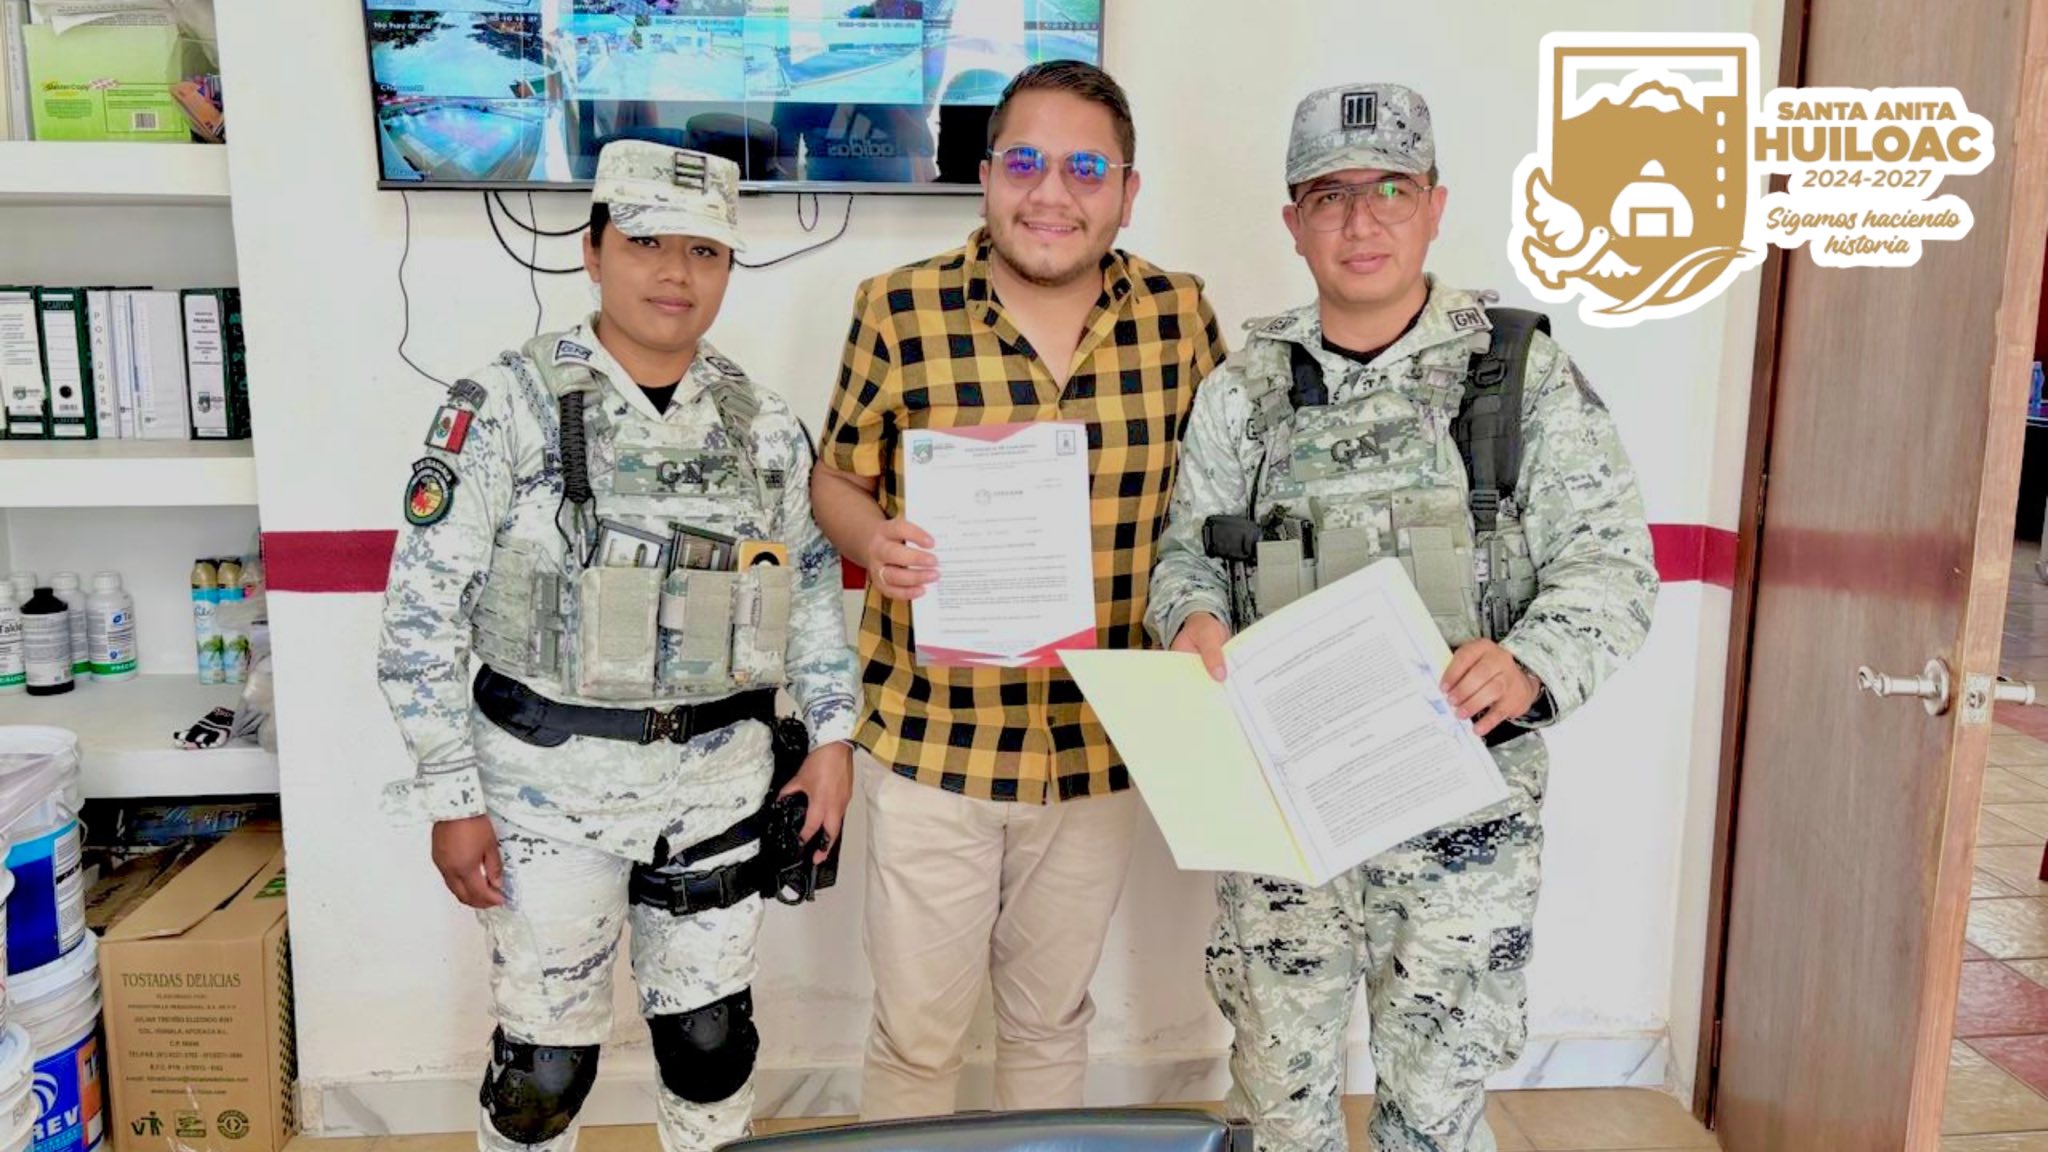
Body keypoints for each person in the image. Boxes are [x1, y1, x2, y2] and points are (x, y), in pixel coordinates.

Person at [1146, 83, 1658, 1152]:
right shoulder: (1245, 389)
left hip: (1462, 826)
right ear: (1292, 222)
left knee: (1432, 1121)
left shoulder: (1517, 377)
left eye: (1390, 189)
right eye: (1328, 195)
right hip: (1286, 824)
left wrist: (1526, 664)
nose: (1360, 220)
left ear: (1435, 206)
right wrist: (1190, 622)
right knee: (1279, 1113)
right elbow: (1186, 557)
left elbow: (1611, 568)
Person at [376, 140, 860, 1152]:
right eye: (645, 243)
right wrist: (451, 799)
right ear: (592, 251)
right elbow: (420, 617)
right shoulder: (503, 406)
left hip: (718, 787)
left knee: (710, 1044)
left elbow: (810, 589)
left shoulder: (762, 426)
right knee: (543, 1075)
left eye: (705, 251)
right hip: (545, 795)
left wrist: (830, 739)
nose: (676, 273)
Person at [809, 59, 1229, 1118]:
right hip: (933, 741)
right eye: (1026, 162)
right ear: (986, 174)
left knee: (1051, 1022)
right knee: (918, 1036)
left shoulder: (1179, 316)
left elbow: (1222, 497)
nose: (1052, 194)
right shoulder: (897, 308)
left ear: (1127, 191)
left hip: (1099, 742)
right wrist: (874, 538)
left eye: (1086, 168)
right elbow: (837, 479)